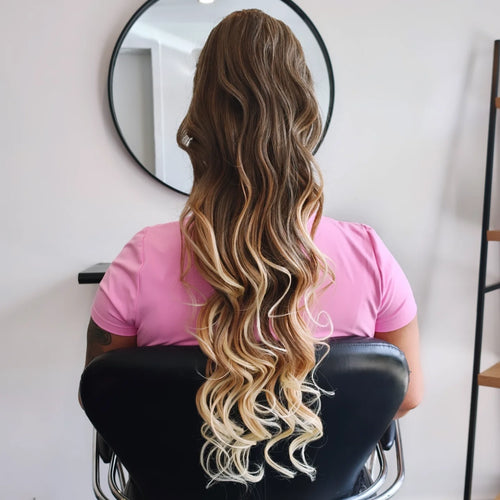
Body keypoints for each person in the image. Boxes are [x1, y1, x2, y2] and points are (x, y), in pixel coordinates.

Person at [84, 8, 423, 486]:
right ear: (303, 114)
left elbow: (104, 395)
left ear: (200, 118)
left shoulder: (140, 261)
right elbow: (406, 395)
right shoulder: (368, 257)